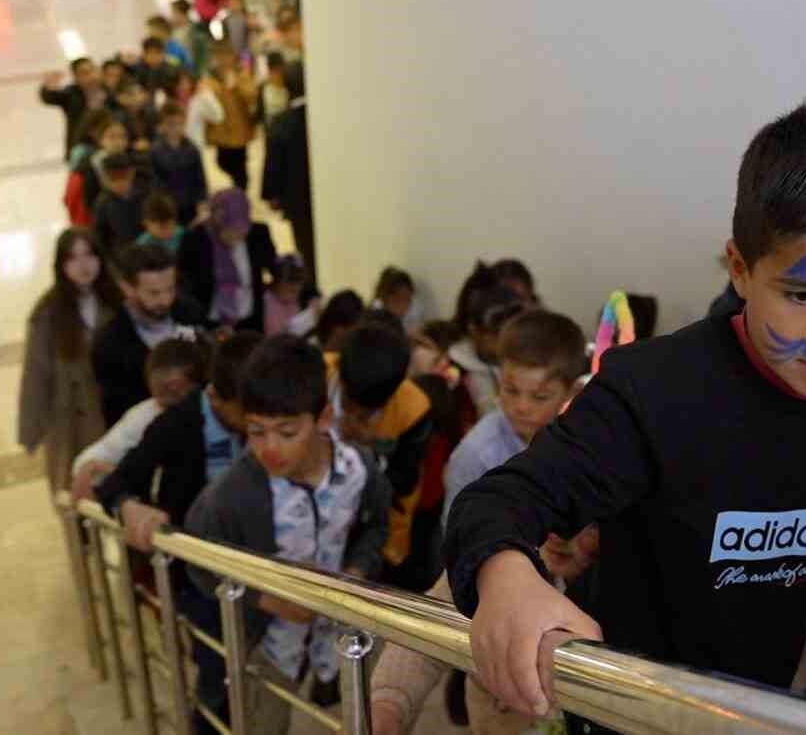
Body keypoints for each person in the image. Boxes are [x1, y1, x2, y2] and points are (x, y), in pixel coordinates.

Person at [444, 102, 806, 725]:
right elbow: (498, 500)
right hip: (628, 699)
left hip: (758, 695)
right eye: (803, 295)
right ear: (740, 268)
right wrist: (507, 577)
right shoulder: (651, 391)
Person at [184, 334, 392, 735]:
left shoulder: (360, 469)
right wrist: (265, 599)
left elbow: (376, 526)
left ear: (324, 418)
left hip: (339, 644)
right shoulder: (233, 493)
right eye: (256, 431)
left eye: (287, 431)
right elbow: (199, 562)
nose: (269, 448)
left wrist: (358, 570)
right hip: (269, 652)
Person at [370, 526, 601, 735]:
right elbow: (423, 634)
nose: (558, 534)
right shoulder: (498, 554)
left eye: (588, 523)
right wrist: (388, 707)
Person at [93, 332, 261, 546]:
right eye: (246, 414)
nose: (261, 424)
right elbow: (116, 483)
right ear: (214, 397)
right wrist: (128, 506)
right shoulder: (175, 424)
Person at [441, 310, 586, 528]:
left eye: (540, 397)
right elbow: (456, 534)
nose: (522, 407)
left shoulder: (581, 439)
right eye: (510, 390)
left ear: (571, 393)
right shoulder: (476, 455)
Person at [330, 320, 441, 589]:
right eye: (348, 403)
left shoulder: (415, 409)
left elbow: (403, 482)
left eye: (366, 412)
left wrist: (367, 447)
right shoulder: (314, 372)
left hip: (380, 533)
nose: (354, 416)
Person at [17, 228, 122, 490]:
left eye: (89, 255)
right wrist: (31, 429)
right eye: (73, 258)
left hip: (113, 413)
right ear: (62, 265)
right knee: (74, 489)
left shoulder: (118, 300)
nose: (83, 265)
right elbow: (36, 375)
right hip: (69, 419)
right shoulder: (48, 314)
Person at [71, 336, 208, 501]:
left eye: (175, 391)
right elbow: (97, 456)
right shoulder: (143, 415)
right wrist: (90, 466)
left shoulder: (215, 412)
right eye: (160, 393)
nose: (173, 415)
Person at [91, 242, 203, 426]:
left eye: (170, 289)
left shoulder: (190, 314)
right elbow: (116, 415)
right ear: (127, 288)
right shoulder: (109, 344)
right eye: (154, 293)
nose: (166, 300)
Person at [178, 189, 276, 333]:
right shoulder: (195, 239)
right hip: (209, 323)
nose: (237, 236)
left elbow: (277, 269)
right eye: (230, 230)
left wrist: (310, 294)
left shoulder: (258, 234)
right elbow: (184, 282)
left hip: (249, 322)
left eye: (242, 230)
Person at [261, 63, 314, 273]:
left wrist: (271, 194)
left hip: (296, 198)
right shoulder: (328, 116)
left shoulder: (282, 122)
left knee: (305, 245)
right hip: (332, 193)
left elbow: (274, 162)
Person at [449, 281, 526, 422]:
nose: (508, 342)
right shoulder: (455, 373)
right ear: (474, 331)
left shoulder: (522, 359)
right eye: (497, 335)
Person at [205, 45, 256, 187]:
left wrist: (237, 85)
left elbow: (252, 96)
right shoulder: (212, 77)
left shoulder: (242, 75)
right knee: (222, 161)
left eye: (226, 55)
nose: (223, 59)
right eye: (219, 55)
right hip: (221, 133)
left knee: (240, 168)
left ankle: (240, 198)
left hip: (239, 132)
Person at [149, 106, 207, 225]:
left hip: (190, 203)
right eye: (170, 124)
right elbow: (155, 180)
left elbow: (200, 177)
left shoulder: (192, 149)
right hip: (167, 205)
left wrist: (202, 201)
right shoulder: (155, 151)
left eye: (179, 124)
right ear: (162, 125)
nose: (175, 128)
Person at [41, 57, 107, 160]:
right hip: (81, 148)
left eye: (93, 70)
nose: (91, 76)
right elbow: (50, 97)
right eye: (84, 73)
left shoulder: (107, 89)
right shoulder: (72, 93)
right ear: (76, 77)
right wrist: (49, 85)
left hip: (108, 146)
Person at [93, 151, 150, 263]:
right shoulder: (102, 203)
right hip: (121, 256)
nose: (119, 184)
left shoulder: (145, 194)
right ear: (105, 178)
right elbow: (101, 235)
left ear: (131, 173)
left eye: (123, 177)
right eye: (113, 179)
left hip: (146, 250)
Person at [264, 254, 313, 335]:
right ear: (277, 282)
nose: (295, 290)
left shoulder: (301, 300)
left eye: (295, 291)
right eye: (289, 288)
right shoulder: (267, 302)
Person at [372, 267, 421, 333]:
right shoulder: (375, 319)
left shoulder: (413, 313)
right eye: (397, 301)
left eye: (408, 300)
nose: (403, 307)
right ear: (384, 299)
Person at [130, 38, 178, 105]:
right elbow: (135, 85)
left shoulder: (171, 71)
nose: (153, 57)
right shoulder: (138, 68)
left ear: (163, 54)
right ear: (144, 54)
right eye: (150, 53)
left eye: (157, 53)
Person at [136, 191, 185, 255]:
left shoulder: (183, 236)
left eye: (171, 225)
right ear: (146, 224)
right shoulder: (142, 246)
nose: (168, 231)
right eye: (162, 228)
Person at [166, 2, 209, 74]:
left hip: (195, 69)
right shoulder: (173, 32)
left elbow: (203, 54)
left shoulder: (198, 30)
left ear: (180, 12)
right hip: (182, 70)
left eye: (173, 12)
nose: (171, 15)